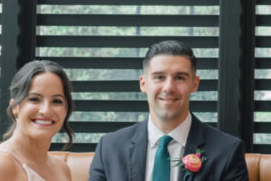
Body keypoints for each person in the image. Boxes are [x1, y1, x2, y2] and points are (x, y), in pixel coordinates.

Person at [88, 41, 250, 181]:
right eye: (159, 77)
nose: (169, 88)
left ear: (194, 83)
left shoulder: (227, 151)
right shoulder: (109, 148)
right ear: (143, 84)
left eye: (180, 78)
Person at [0, 60, 77, 181]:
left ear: (66, 109)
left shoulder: (62, 169)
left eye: (57, 101)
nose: (46, 110)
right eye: (34, 99)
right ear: (15, 107)